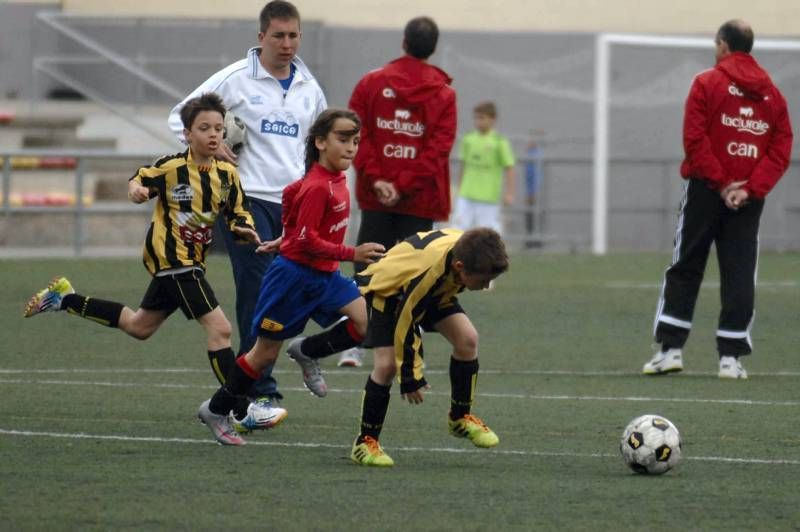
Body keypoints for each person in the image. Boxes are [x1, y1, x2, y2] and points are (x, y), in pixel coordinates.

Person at [23, 93, 284, 433]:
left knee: (139, 326)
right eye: (204, 127)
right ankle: (239, 408)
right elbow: (140, 178)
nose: (213, 134)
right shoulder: (172, 168)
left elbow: (237, 214)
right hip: (171, 259)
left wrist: (245, 230)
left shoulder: (228, 176)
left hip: (193, 262)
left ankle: (64, 299)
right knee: (220, 329)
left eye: (219, 128)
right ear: (188, 133)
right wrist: (136, 191)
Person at [168, 0, 327, 410]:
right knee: (258, 294)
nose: (287, 44)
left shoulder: (310, 86)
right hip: (246, 200)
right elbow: (177, 118)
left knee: (301, 290)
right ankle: (258, 392)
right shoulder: (236, 79)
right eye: (278, 36)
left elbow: (321, 144)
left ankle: (293, 357)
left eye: (294, 35)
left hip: (295, 205)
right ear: (261, 38)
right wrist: (212, 144)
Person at [198, 108, 385, 444]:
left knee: (364, 323)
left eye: (356, 141)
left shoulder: (326, 181)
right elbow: (308, 240)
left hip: (325, 277)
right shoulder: (317, 187)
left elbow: (295, 217)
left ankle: (308, 351)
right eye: (343, 139)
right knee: (263, 354)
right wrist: (351, 254)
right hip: (293, 281)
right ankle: (217, 408)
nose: (351, 147)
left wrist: (285, 238)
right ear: (320, 142)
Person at [643, 20, 792, 380]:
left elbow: (694, 139)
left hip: (706, 190)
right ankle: (731, 359)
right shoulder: (773, 95)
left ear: (723, 45)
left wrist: (723, 184)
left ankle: (671, 350)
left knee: (686, 265)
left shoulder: (706, 82)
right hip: (748, 198)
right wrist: (749, 188)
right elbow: (780, 149)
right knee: (739, 271)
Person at [338, 16, 457, 368]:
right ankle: (407, 348)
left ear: (404, 42)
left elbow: (356, 136)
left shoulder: (370, 83)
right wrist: (404, 186)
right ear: (432, 48)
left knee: (368, 263)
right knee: (415, 273)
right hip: (420, 198)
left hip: (376, 195)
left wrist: (379, 180)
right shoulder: (444, 93)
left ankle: (354, 341)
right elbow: (438, 149)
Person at [345, 227, 509, 467]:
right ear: (460, 267)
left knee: (468, 340)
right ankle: (365, 441)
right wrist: (411, 376)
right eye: (483, 280)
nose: (485, 287)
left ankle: (460, 417)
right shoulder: (430, 272)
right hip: (389, 292)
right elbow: (407, 318)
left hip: (431, 291)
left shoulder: (466, 252)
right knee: (387, 365)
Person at [453, 101, 515, 234]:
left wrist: (509, 192)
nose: (478, 121)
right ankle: (456, 255)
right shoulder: (468, 139)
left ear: (493, 119)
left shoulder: (499, 142)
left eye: (482, 118)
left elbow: (509, 167)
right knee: (458, 231)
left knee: (486, 235)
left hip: (488, 197)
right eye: (476, 118)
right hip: (467, 194)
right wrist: (459, 188)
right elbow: (463, 165)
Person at [524, 130, 544, 248]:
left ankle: (534, 241)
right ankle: (530, 240)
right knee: (529, 215)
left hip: (533, 192)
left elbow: (536, 175)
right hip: (529, 190)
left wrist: (533, 192)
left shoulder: (536, 155)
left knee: (534, 215)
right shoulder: (529, 154)